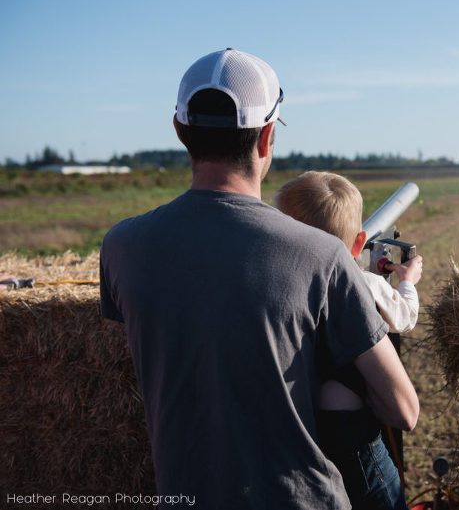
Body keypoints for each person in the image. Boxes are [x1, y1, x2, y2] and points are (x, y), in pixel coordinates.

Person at [99, 48, 418, 510]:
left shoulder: (121, 246)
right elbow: (404, 411)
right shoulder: (322, 255)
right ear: (268, 137)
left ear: (179, 132)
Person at [274, 171, 423, 510]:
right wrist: (408, 281)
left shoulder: (276, 288)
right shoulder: (363, 284)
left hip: (300, 434)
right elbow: (403, 317)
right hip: (353, 438)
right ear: (359, 244)